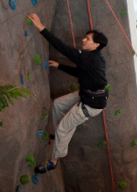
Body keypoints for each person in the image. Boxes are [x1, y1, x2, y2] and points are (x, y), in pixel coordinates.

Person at [27, 14, 109, 174]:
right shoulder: (95, 57)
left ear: (96, 44)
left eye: (88, 39)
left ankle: (54, 160)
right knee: (58, 105)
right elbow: (82, 73)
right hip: (87, 94)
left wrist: (41, 27)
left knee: (64, 128)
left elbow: (62, 48)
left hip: (91, 104)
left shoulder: (90, 58)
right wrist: (59, 66)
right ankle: (57, 136)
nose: (84, 40)